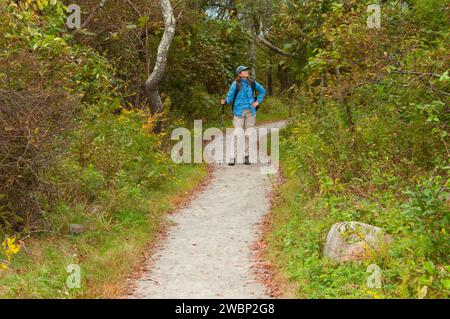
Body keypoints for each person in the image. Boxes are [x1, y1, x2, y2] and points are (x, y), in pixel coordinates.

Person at [221, 65, 266, 166]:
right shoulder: (235, 84)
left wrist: (258, 101)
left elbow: (263, 91)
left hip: (251, 112)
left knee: (248, 134)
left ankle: (246, 156)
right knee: (237, 133)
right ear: (240, 74)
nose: (247, 71)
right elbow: (229, 98)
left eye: (247, 70)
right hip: (239, 112)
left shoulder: (253, 83)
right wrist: (225, 102)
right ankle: (232, 157)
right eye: (244, 70)